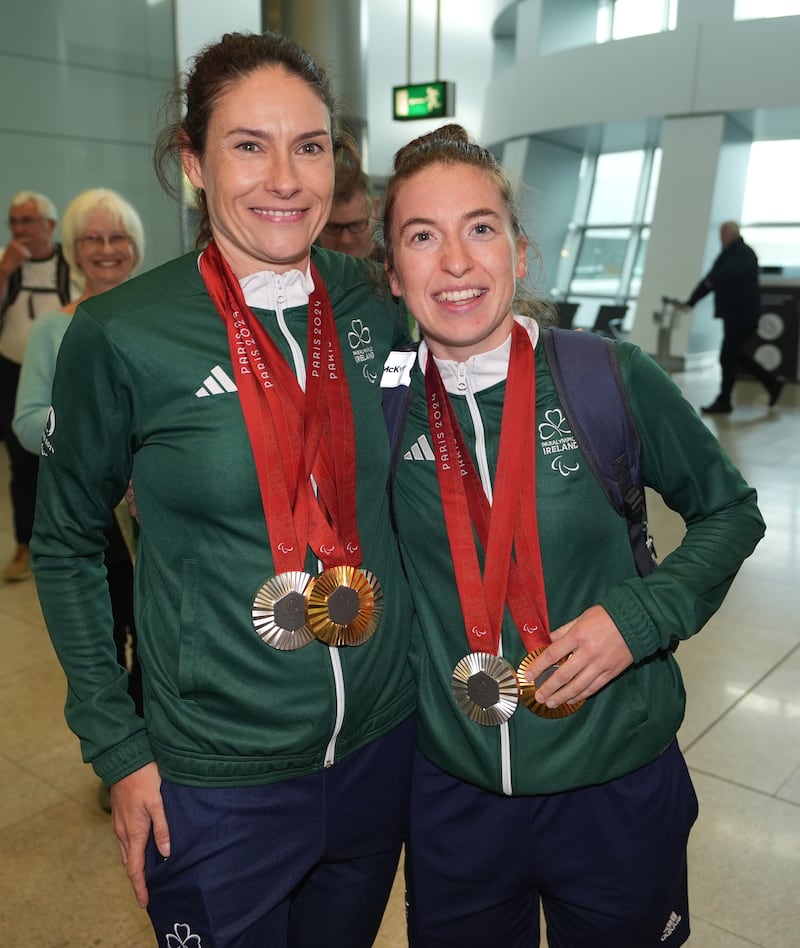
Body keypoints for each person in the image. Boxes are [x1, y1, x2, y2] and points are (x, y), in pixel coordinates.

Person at [30, 31, 415, 947]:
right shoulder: (124, 333)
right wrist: (118, 746)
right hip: (218, 780)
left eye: (309, 146)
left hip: (381, 751)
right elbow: (67, 540)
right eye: (249, 145)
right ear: (194, 163)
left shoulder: (375, 303)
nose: (285, 177)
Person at [380, 125, 766, 948]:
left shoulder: (605, 376)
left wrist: (639, 618)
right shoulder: (382, 407)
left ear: (522, 253)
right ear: (392, 271)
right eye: (422, 236)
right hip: (454, 797)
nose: (454, 261)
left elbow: (731, 511)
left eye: (479, 228)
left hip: (617, 786)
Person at [13, 188, 146, 811]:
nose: (107, 250)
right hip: (92, 521)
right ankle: (122, 756)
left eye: (117, 238)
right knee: (110, 630)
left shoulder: (159, 318)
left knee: (159, 633)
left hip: (160, 517)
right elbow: (28, 421)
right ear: (74, 249)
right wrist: (96, 454)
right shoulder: (50, 331)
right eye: (93, 239)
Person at [0, 191, 79, 581]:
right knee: (21, 461)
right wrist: (4, 270)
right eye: (14, 221)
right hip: (12, 373)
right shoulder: (4, 260)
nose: (20, 229)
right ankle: (23, 545)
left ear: (50, 225)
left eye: (28, 221)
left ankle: (68, 540)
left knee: (66, 458)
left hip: (66, 374)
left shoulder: (73, 263)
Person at [683, 220, 782, 414]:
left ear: (732, 233)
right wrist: (691, 302)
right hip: (735, 316)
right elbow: (710, 279)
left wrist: (698, 295)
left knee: (728, 356)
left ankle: (725, 400)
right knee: (735, 356)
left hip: (743, 316)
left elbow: (718, 277)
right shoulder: (728, 254)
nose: (720, 238)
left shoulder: (743, 254)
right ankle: (772, 383)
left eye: (723, 233)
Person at [318, 146, 380, 260]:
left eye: (357, 225)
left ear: (376, 210)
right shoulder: (303, 272)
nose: (345, 239)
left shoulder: (397, 272)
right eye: (333, 228)